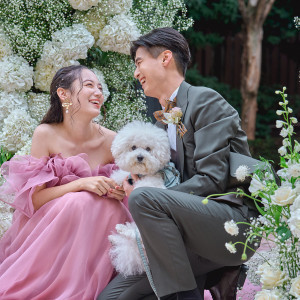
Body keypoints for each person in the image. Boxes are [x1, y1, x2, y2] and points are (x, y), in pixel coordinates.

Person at [98, 27, 260, 300]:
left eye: (139, 63)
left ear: (165, 58)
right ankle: (199, 281)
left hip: (229, 224)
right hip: (181, 235)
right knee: (112, 297)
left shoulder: (205, 101)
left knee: (143, 198)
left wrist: (145, 194)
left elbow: (213, 179)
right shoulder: (160, 121)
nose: (136, 73)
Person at [0, 65, 132, 299]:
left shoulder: (112, 140)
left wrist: (119, 191)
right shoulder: (46, 134)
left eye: (100, 87)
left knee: (107, 206)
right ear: (64, 94)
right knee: (78, 201)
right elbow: (35, 200)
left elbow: (130, 191)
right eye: (89, 85)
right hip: (53, 237)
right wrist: (81, 184)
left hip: (98, 241)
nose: (98, 92)